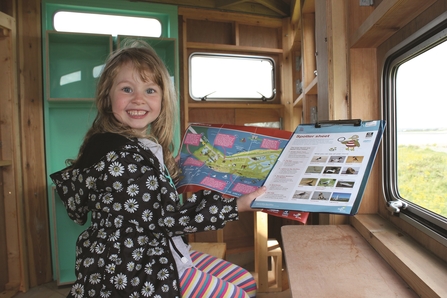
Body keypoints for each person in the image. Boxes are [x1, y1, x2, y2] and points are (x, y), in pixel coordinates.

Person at [50, 39, 266, 298]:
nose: (139, 99)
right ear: (107, 98)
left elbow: (148, 200)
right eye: (127, 89)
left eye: (150, 90)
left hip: (152, 249)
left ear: (163, 98)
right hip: (134, 270)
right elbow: (164, 221)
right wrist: (235, 206)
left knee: (244, 280)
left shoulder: (134, 144)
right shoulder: (120, 156)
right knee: (238, 294)